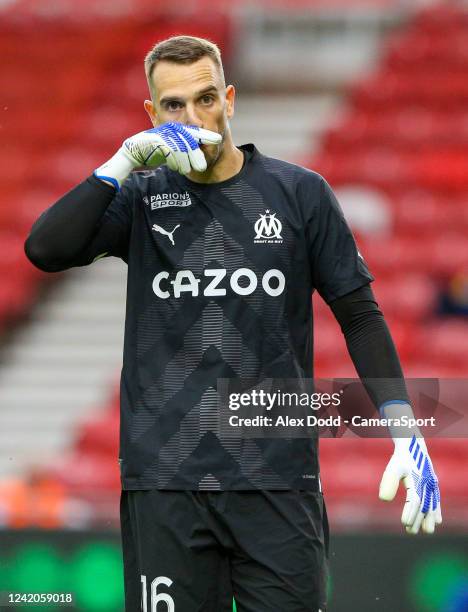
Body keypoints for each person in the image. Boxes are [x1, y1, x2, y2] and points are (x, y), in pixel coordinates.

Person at [24, 35, 442, 612]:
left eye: (205, 99)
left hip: (276, 479)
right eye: (173, 105)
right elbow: (44, 249)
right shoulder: (142, 199)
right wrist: (122, 163)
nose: (193, 117)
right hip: (164, 483)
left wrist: (405, 429)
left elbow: (361, 318)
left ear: (230, 99)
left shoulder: (299, 194)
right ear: (151, 114)